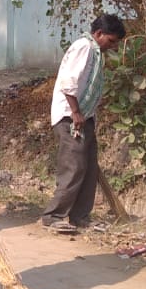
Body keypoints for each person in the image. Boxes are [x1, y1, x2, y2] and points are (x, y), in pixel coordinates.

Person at [40, 14, 126, 234]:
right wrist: (76, 112)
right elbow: (69, 81)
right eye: (111, 41)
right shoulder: (84, 47)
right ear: (98, 34)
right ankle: (54, 216)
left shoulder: (96, 52)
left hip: (84, 117)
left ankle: (80, 216)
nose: (113, 46)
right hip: (71, 116)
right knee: (74, 165)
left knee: (88, 166)